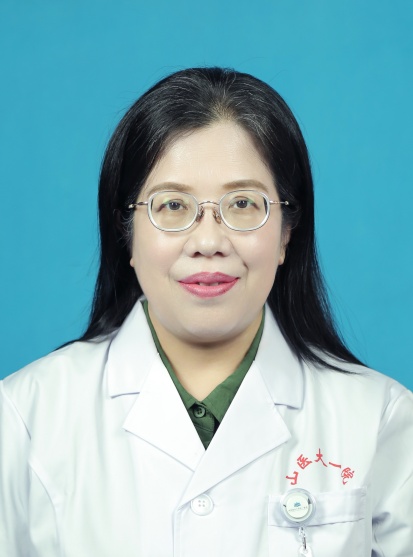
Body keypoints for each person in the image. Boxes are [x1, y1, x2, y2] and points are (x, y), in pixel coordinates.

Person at [0, 67, 412, 557]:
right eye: (173, 206)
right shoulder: (24, 418)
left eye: (243, 203)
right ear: (126, 233)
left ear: (286, 232)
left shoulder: (380, 420)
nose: (209, 241)